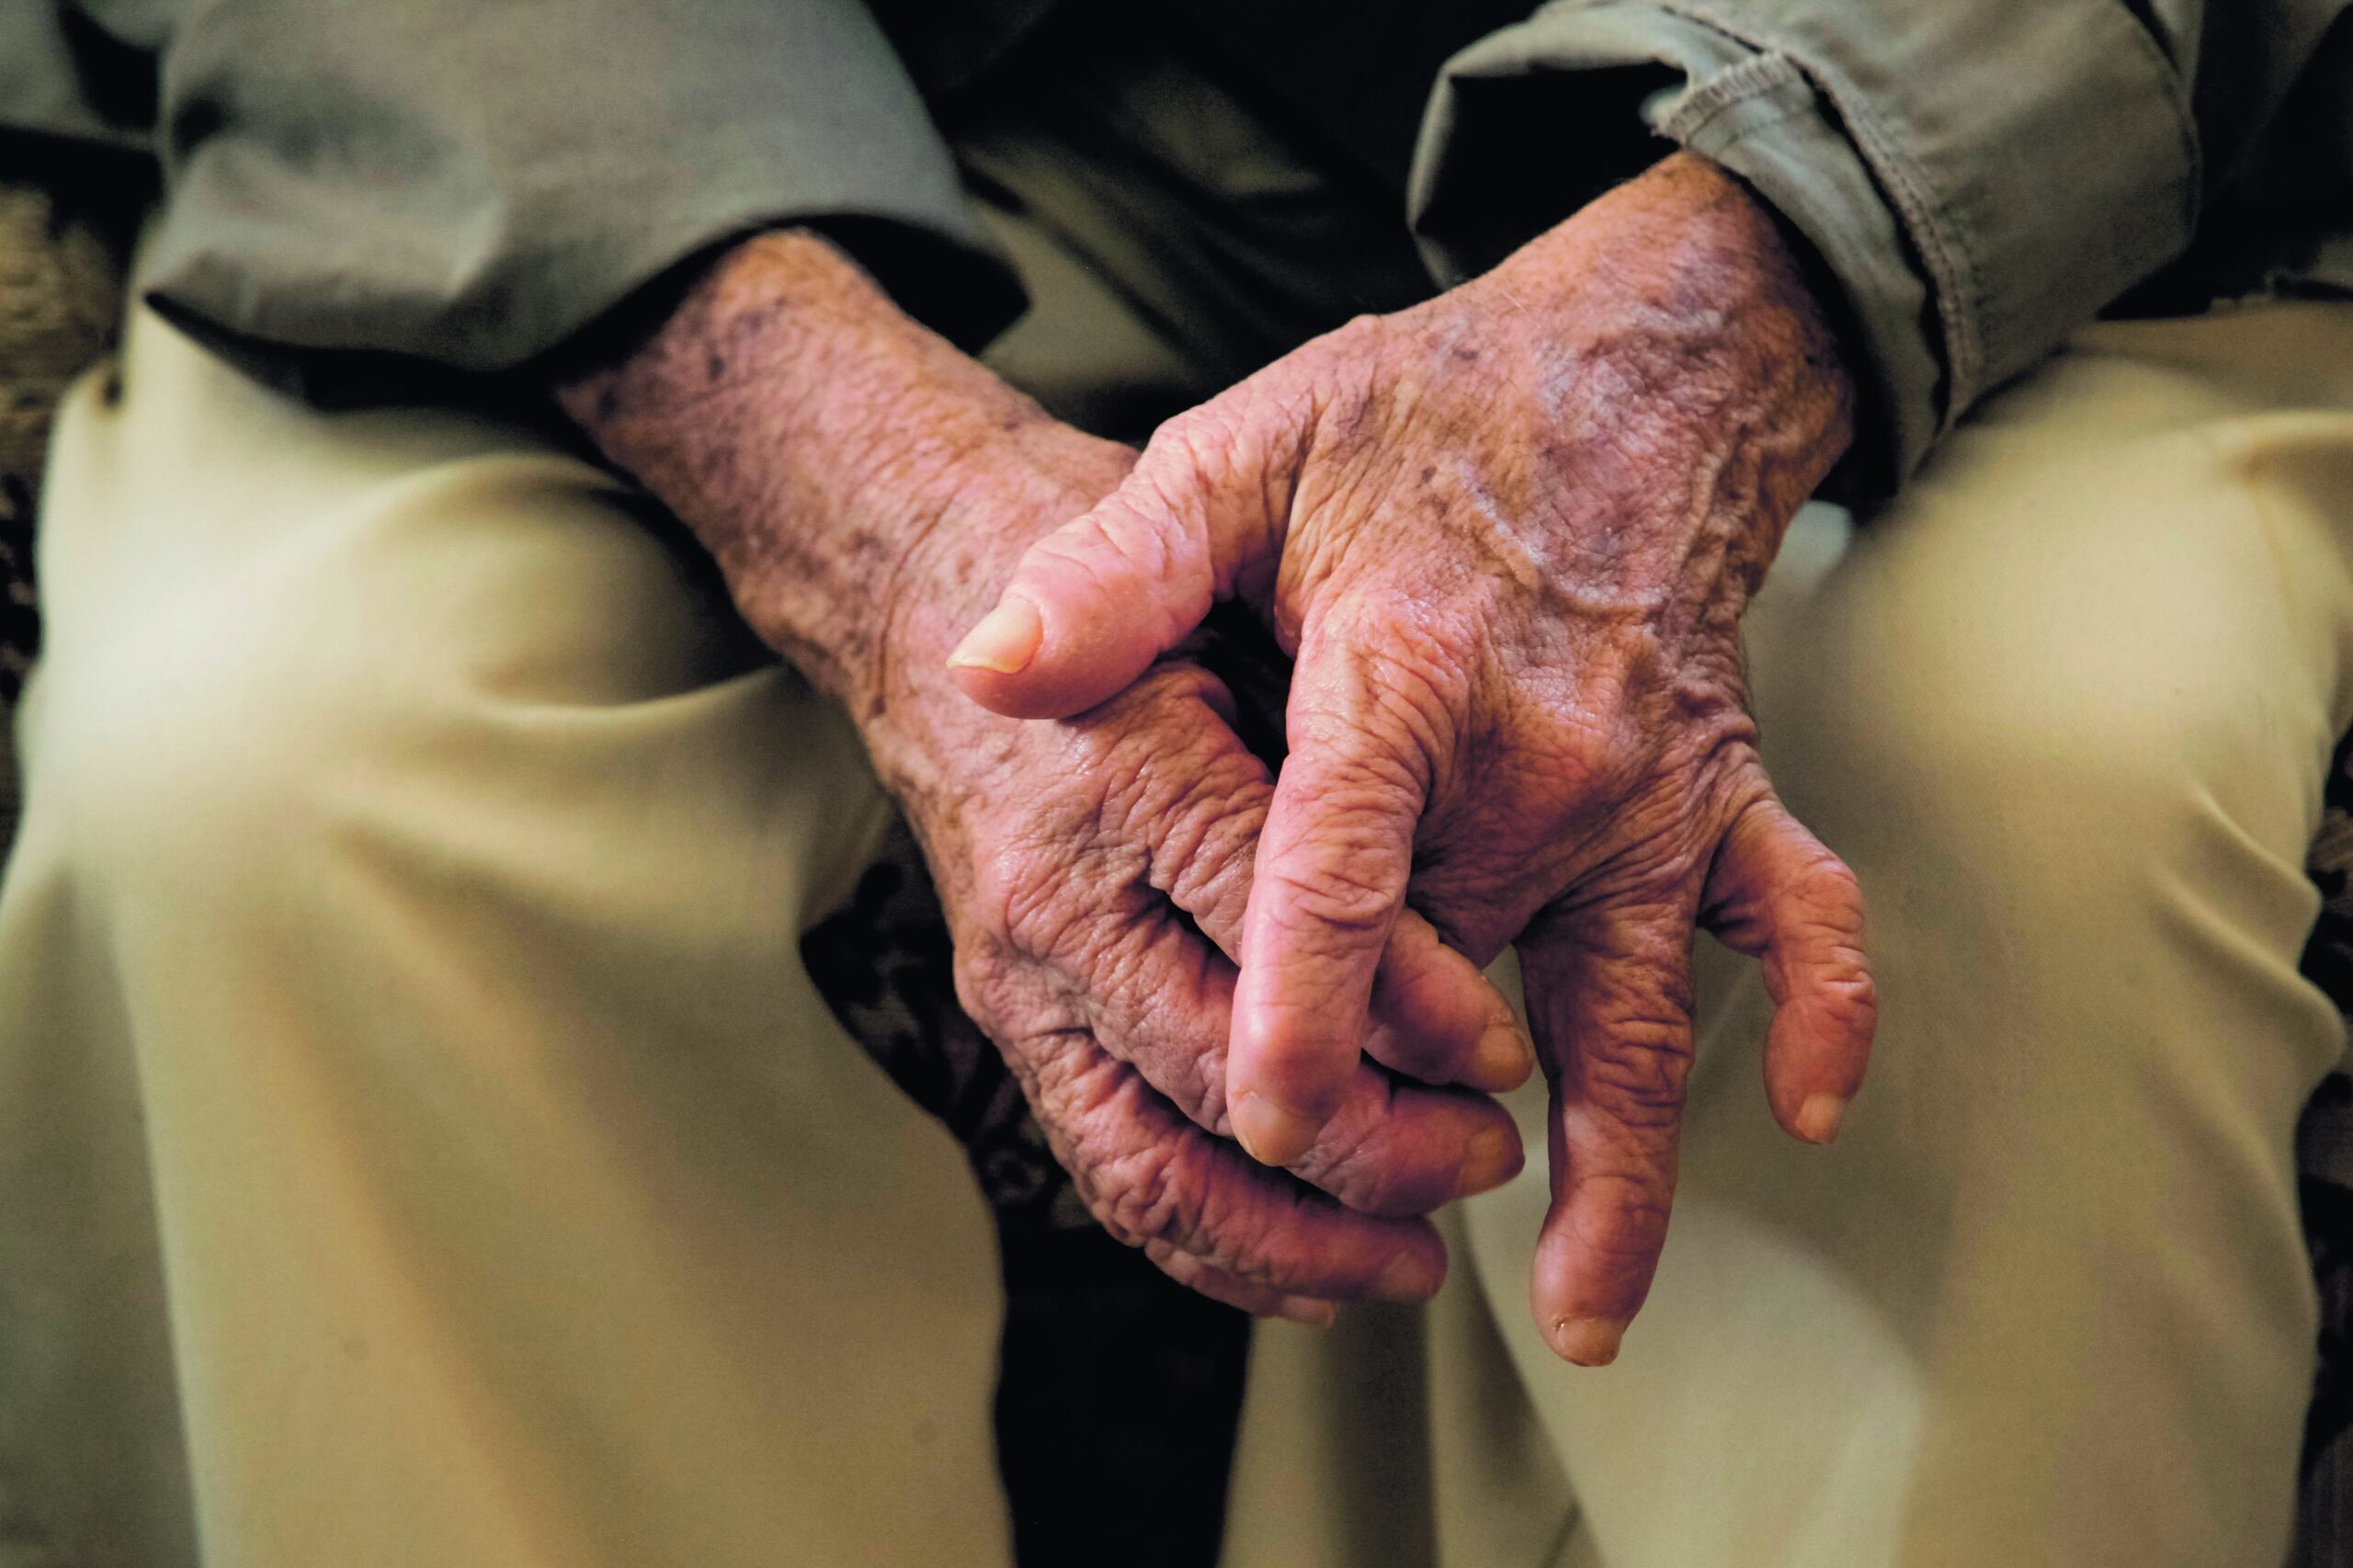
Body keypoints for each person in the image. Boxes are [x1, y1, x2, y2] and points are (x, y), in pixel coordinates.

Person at [0, 1, 2347, 1564]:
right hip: (762, 101)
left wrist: (1772, 251)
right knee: (291, 763)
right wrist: (863, 482)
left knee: (1997, 803)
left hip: (1987, 110)